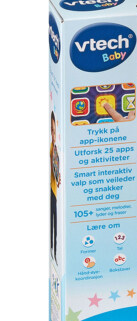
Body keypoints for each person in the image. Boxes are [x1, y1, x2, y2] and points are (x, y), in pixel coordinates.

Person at [50, 112, 61, 263]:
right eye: (51, 130)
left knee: (55, 224)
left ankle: (55, 253)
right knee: (52, 224)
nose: (53, 134)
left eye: (54, 130)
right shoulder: (50, 148)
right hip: (51, 192)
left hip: (55, 192)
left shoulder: (55, 148)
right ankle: (53, 252)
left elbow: (56, 170)